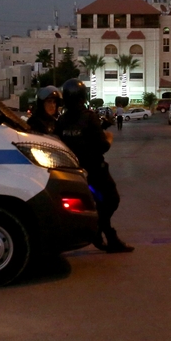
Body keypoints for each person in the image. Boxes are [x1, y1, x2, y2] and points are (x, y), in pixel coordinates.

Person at [56, 78, 134, 253]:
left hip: (74, 172)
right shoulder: (89, 117)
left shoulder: (61, 121)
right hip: (95, 170)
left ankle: (107, 236)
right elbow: (101, 145)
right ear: (83, 97)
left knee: (97, 204)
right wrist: (109, 138)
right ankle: (99, 230)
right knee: (112, 200)